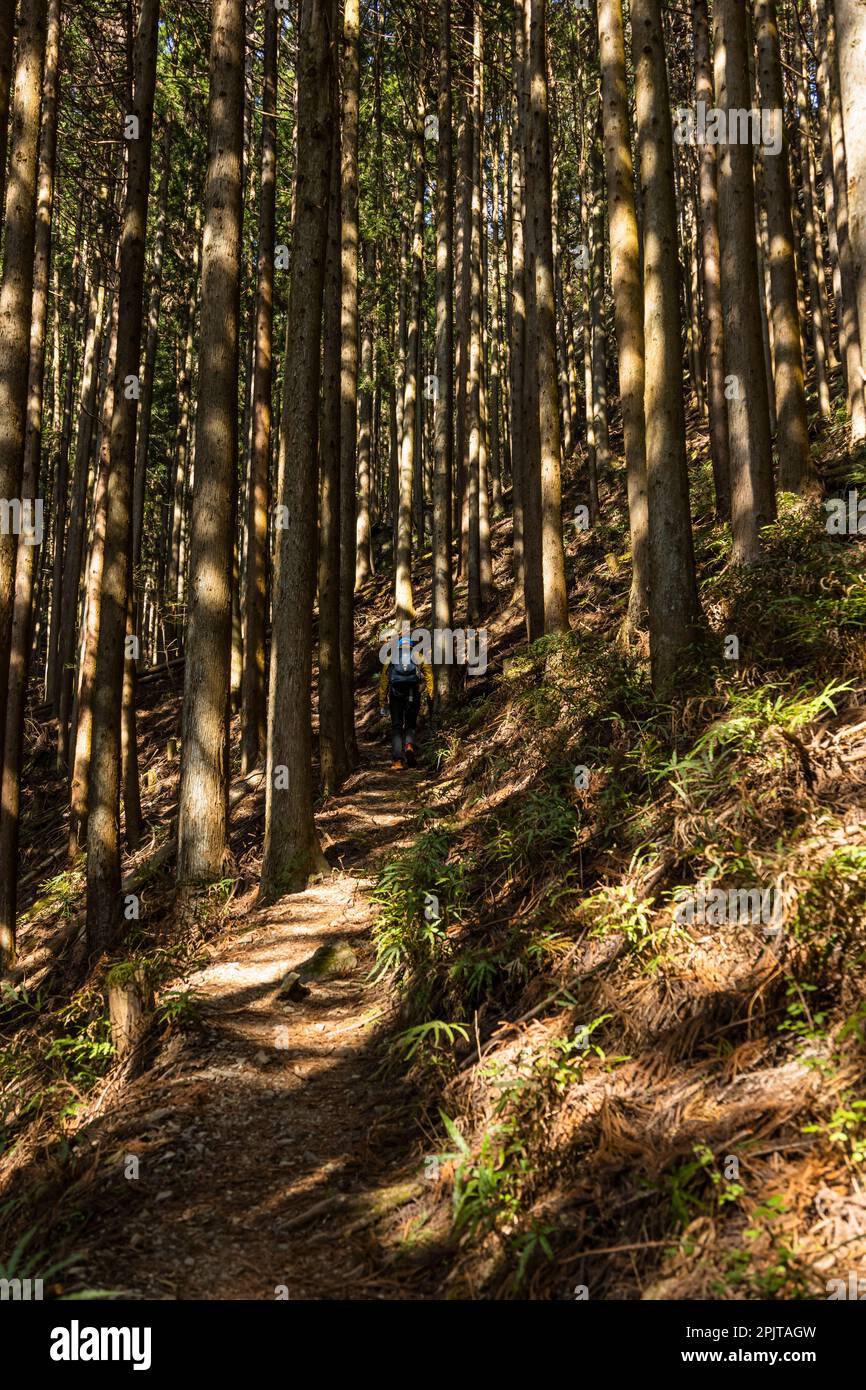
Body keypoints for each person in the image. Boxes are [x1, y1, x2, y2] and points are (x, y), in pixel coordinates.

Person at [378, 633, 434, 769]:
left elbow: (384, 680)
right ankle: (409, 746)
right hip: (413, 693)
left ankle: (398, 760)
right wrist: (431, 695)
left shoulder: (391, 657)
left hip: (395, 695)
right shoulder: (418, 656)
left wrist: (382, 701)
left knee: (396, 726)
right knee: (410, 724)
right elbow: (429, 675)